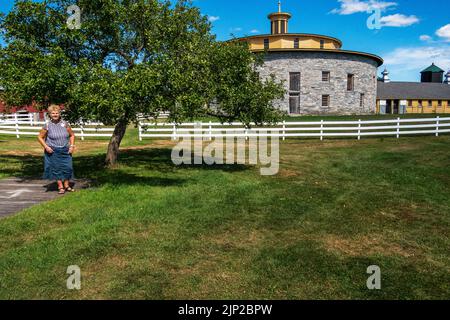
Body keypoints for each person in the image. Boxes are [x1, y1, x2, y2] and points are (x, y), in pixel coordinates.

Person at [38, 105, 76, 194]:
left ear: (59, 114)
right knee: (56, 169)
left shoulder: (65, 124)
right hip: (53, 151)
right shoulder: (47, 125)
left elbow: (72, 135)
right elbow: (40, 137)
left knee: (68, 168)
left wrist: (72, 146)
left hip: (66, 150)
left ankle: (67, 185)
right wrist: (46, 147)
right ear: (50, 114)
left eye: (57, 113)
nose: (55, 114)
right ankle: (60, 186)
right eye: (53, 113)